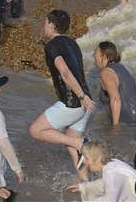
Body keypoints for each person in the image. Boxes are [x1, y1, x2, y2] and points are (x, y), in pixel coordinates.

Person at [26, 9, 93, 169]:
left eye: (45, 23)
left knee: (35, 130)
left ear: (52, 25)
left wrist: (80, 96)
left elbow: (65, 71)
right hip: (87, 102)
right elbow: (75, 71)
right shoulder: (73, 43)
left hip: (74, 102)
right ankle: (84, 183)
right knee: (74, 151)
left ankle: (80, 142)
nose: (44, 26)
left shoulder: (52, 45)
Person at [69, 138, 136, 201]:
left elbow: (110, 200)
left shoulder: (111, 173)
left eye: (87, 158)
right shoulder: (112, 164)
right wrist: (84, 187)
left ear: (98, 159)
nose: (85, 162)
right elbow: (105, 184)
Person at [96, 41, 136, 127]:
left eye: (96, 53)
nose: (94, 56)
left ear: (104, 56)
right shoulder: (120, 67)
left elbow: (116, 99)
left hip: (128, 119)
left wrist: (115, 127)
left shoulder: (106, 72)